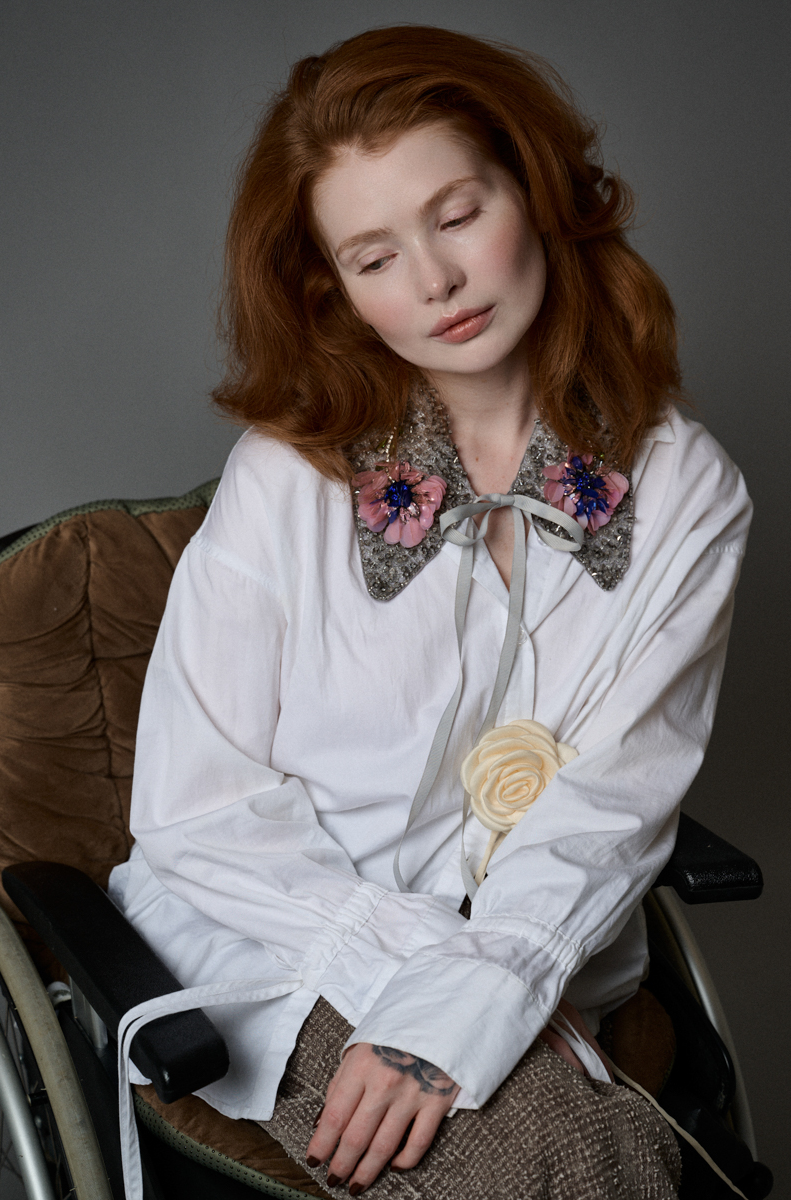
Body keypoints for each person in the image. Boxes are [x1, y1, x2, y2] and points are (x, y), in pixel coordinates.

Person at [108, 25, 751, 1199]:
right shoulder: (285, 478)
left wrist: (491, 982)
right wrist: (441, 984)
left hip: (541, 954)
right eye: (374, 257)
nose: (434, 281)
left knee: (590, 1153)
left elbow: (610, 801)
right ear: (336, 291)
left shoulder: (682, 489)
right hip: (282, 943)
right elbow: (200, 816)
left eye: (456, 215)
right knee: (563, 1158)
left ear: (534, 189)